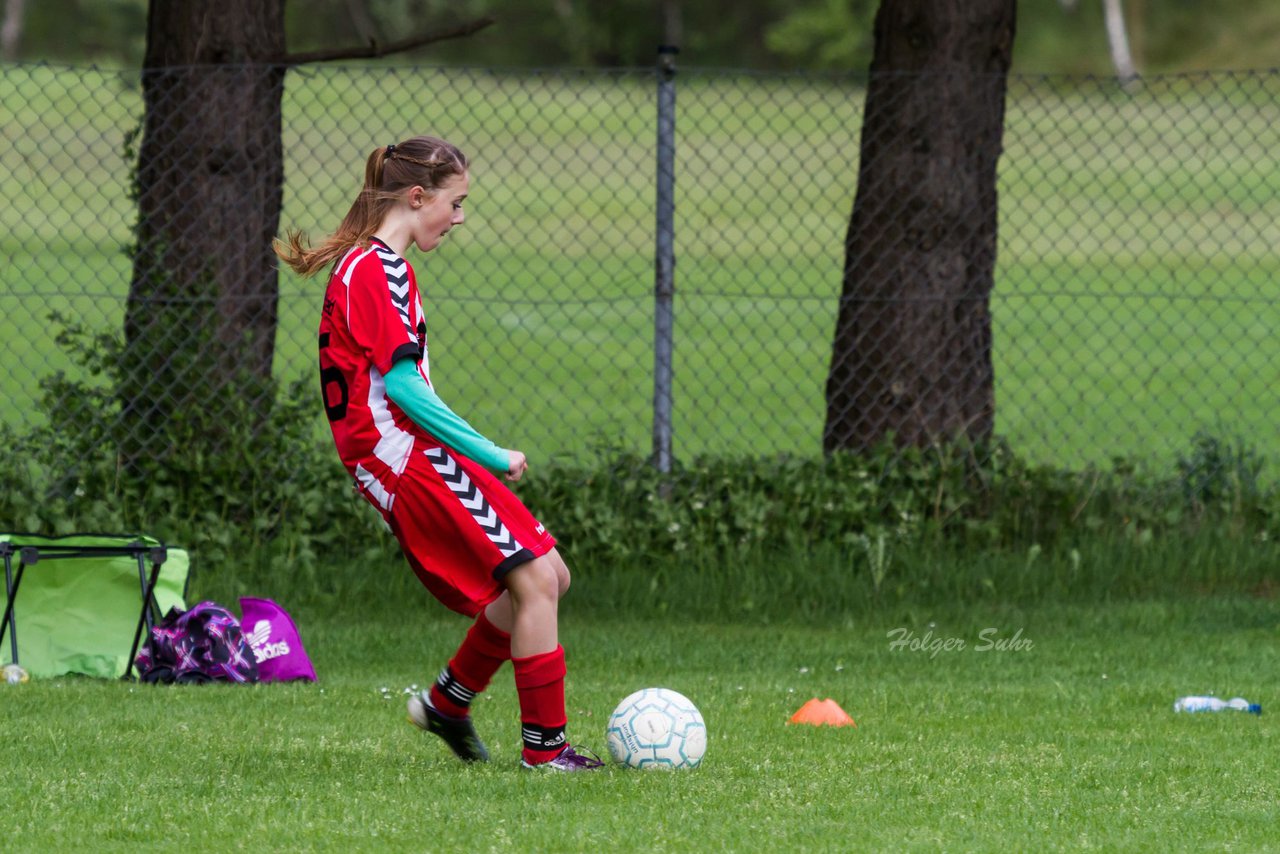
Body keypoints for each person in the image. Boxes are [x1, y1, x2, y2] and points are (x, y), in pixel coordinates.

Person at [275, 135, 602, 772]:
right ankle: (547, 752)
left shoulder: (375, 266)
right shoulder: (374, 270)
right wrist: (488, 449)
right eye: (455, 203)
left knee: (549, 576)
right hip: (399, 456)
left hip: (405, 452)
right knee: (534, 580)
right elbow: (400, 387)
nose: (458, 219)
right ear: (418, 196)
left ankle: (449, 704)